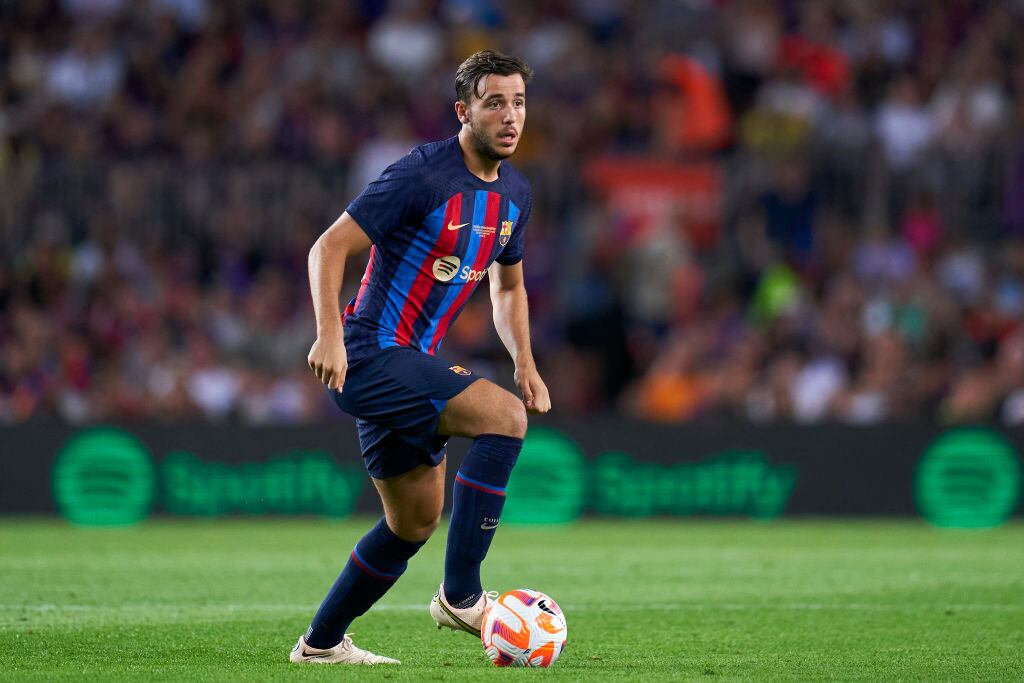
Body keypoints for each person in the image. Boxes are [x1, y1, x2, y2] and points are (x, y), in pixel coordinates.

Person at [291, 50, 551, 665]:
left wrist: (526, 361)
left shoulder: (516, 194)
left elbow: (507, 287)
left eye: (517, 103)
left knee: (413, 522)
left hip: (407, 363)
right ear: (463, 111)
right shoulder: (421, 175)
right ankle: (462, 595)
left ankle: (321, 646)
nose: (509, 116)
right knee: (504, 417)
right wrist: (328, 333)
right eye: (494, 103)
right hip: (369, 352)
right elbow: (327, 248)